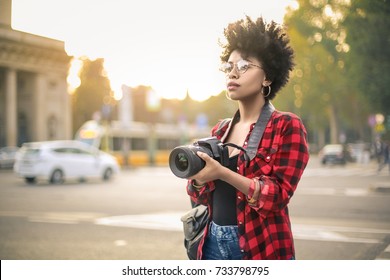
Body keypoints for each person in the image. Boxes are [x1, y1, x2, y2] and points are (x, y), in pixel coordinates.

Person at [185, 16, 310, 260]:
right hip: (210, 244)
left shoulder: (286, 125)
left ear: (267, 77)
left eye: (243, 66)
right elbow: (197, 195)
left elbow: (276, 196)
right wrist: (198, 179)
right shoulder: (220, 131)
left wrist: (222, 173)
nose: (233, 73)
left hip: (260, 248)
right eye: (228, 66)